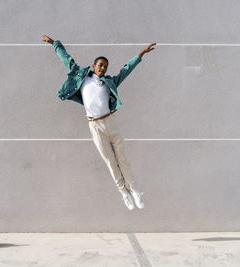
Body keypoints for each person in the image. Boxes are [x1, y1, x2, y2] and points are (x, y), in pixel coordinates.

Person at [42, 34, 156, 210]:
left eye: (105, 67)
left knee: (122, 159)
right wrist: (54, 43)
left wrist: (141, 54)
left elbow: (127, 69)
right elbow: (66, 58)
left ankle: (135, 191)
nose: (103, 68)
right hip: (94, 125)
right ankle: (123, 193)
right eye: (100, 65)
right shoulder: (81, 77)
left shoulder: (109, 81)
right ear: (94, 66)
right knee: (110, 161)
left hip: (110, 122)